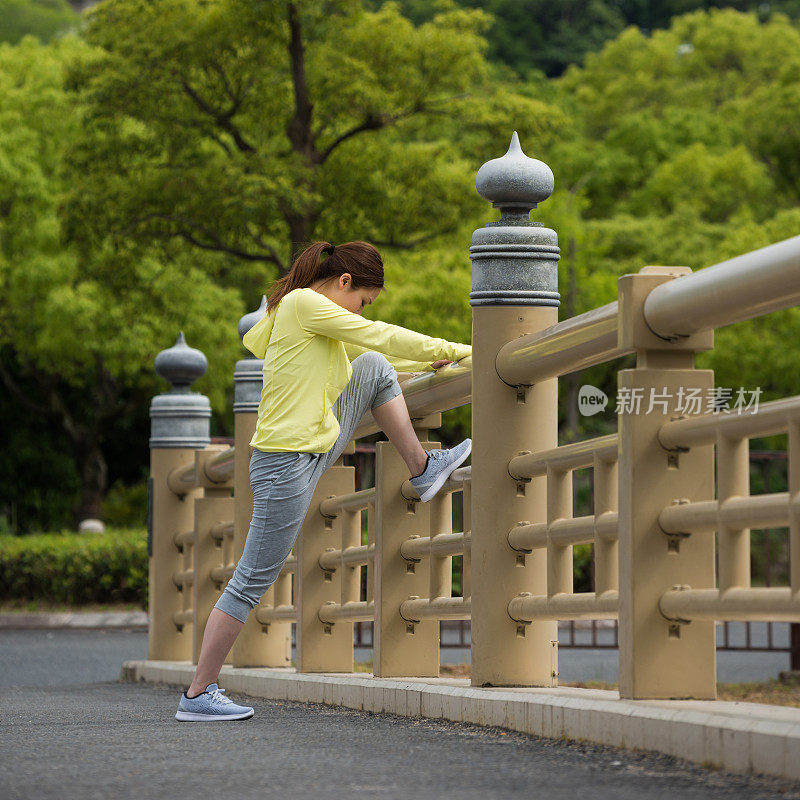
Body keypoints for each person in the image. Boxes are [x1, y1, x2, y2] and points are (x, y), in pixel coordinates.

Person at [175, 240, 472, 721]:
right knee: (252, 579)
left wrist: (428, 364)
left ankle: (421, 469)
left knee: (374, 370)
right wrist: (460, 350)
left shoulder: (316, 320)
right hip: (284, 463)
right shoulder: (304, 305)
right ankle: (197, 693)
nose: (362, 311)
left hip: (311, 447)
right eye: (363, 300)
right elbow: (382, 333)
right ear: (344, 283)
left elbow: (375, 356)